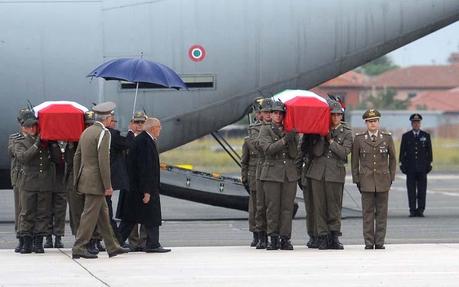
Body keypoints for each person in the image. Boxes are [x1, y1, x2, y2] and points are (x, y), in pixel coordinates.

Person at [71, 102, 129, 259]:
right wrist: (107, 185)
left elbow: (77, 157)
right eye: (111, 117)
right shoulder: (104, 133)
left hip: (86, 179)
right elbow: (103, 161)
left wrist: (78, 178)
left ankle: (112, 246)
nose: (112, 120)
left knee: (103, 214)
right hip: (96, 182)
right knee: (89, 215)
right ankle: (79, 246)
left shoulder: (87, 131)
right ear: (107, 118)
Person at [118, 118, 171, 253]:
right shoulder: (145, 142)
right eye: (159, 127)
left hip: (139, 188)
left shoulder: (145, 140)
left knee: (145, 217)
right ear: (153, 128)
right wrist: (147, 191)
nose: (160, 129)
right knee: (134, 218)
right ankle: (117, 242)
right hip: (141, 188)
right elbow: (145, 168)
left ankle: (152, 243)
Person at [305, 100, 352, 250]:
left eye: (338, 115)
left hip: (335, 173)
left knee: (334, 207)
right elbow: (314, 152)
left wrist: (330, 140)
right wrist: (320, 135)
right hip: (318, 173)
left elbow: (344, 152)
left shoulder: (347, 133)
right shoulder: (319, 129)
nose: (336, 117)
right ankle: (322, 236)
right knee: (319, 207)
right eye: (333, 115)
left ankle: (334, 236)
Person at [352, 109, 396, 250]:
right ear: (366, 123)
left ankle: (380, 242)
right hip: (366, 181)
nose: (372, 124)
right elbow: (354, 162)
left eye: (375, 121)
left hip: (383, 181)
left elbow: (393, 159)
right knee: (368, 213)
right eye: (370, 121)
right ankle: (369, 242)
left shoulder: (387, 138)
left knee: (382, 213)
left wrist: (391, 177)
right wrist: (356, 179)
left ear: (378, 122)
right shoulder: (359, 139)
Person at [258, 101, 299, 250]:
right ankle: (273, 237)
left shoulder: (289, 129)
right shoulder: (265, 130)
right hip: (271, 173)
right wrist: (284, 140)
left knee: (287, 208)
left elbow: (295, 154)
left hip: (289, 173)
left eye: (281, 113)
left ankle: (285, 238)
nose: (278, 115)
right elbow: (268, 149)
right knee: (272, 207)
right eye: (275, 113)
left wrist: (293, 138)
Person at [15, 111, 56, 254]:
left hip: (44, 182)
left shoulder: (46, 142)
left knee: (43, 213)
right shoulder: (20, 142)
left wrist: (53, 144)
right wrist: (38, 144)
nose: (33, 128)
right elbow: (23, 158)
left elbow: (56, 159)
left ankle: (39, 242)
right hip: (28, 183)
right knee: (27, 212)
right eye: (29, 126)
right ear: (24, 128)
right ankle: (27, 243)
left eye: (34, 126)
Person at [115, 111, 148, 251]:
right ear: (131, 124)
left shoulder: (148, 139)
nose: (139, 125)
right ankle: (133, 241)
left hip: (143, 180)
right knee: (130, 212)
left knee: (147, 212)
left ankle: (144, 241)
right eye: (136, 122)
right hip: (130, 181)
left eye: (142, 122)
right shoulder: (127, 139)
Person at [399, 113, 433, 217]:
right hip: (411, 168)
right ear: (411, 123)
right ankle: (412, 210)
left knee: (422, 190)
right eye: (414, 122)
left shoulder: (425, 136)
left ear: (420, 123)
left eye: (418, 122)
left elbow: (429, 152)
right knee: (411, 190)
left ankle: (421, 209)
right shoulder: (406, 136)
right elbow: (402, 153)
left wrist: (428, 165)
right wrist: (403, 166)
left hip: (422, 168)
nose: (416, 124)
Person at [241, 99, 263, 247]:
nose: (261, 114)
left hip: (266, 171)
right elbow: (245, 160)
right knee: (255, 207)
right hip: (254, 173)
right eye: (259, 111)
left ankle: (265, 233)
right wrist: (244, 178)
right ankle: (256, 234)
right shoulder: (250, 134)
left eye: (263, 111)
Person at [252, 98, 272, 249]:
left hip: (275, 169)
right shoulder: (255, 129)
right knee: (261, 205)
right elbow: (257, 147)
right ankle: (261, 235)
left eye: (270, 112)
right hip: (261, 169)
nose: (268, 115)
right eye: (265, 112)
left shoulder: (280, 127)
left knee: (274, 206)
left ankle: (274, 235)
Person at [8, 109, 27, 252]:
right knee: (20, 209)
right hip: (19, 177)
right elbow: (13, 152)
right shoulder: (15, 138)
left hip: (32, 177)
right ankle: (20, 236)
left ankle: (30, 237)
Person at [44, 141, 67, 249]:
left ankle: (58, 236)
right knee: (47, 210)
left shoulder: (69, 141)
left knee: (60, 211)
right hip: (48, 180)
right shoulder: (48, 142)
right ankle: (48, 237)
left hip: (61, 180)